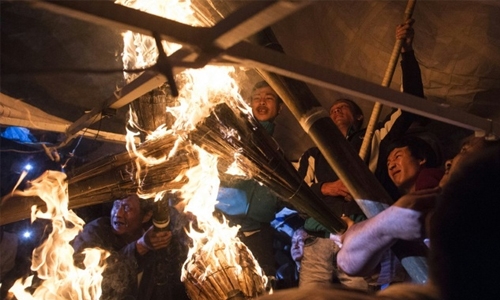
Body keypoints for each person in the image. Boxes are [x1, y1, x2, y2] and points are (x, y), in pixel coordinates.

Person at [258, 136, 500, 300]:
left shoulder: (439, 189)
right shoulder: (406, 202)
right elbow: (352, 261)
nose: (450, 160)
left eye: (466, 152)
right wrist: (385, 224)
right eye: (388, 161)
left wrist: (380, 226)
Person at [297, 19, 422, 289]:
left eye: (344, 107)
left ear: (359, 117)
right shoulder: (312, 154)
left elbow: (412, 103)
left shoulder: (374, 137)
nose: (336, 110)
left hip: (360, 235)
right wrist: (327, 187)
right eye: (332, 109)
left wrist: (407, 53)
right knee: (311, 296)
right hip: (318, 239)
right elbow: (297, 194)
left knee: (359, 295)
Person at [215, 80, 284, 277]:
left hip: (258, 233)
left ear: (280, 108)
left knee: (261, 287)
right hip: (224, 228)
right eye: (257, 98)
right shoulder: (235, 135)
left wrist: (272, 203)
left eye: (269, 98)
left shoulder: (277, 148)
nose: (262, 102)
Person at [71, 194, 189, 300]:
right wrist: (140, 247)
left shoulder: (155, 240)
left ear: (146, 216)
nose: (118, 213)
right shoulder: (95, 232)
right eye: (116, 205)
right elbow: (99, 281)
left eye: (127, 208)